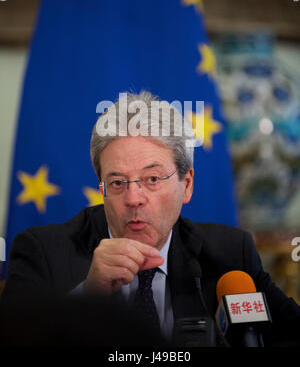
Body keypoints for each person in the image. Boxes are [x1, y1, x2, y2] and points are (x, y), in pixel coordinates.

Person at [2, 91, 300, 347]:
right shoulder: (43, 252)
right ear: (102, 188)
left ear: (186, 184)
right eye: (117, 183)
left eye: (152, 178)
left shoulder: (231, 254)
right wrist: (87, 299)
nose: (133, 199)